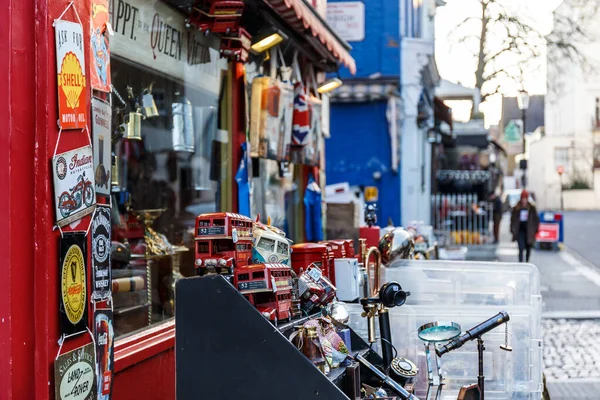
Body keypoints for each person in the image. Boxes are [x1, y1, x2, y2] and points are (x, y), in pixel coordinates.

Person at [510, 190, 540, 262]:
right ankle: (521, 263)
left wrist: (535, 229)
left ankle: (527, 262)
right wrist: (512, 229)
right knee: (520, 247)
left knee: (528, 247)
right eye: (522, 199)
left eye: (525, 199)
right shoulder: (516, 208)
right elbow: (512, 219)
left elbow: (536, 219)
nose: (524, 201)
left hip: (529, 230)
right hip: (520, 230)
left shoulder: (531, 208)